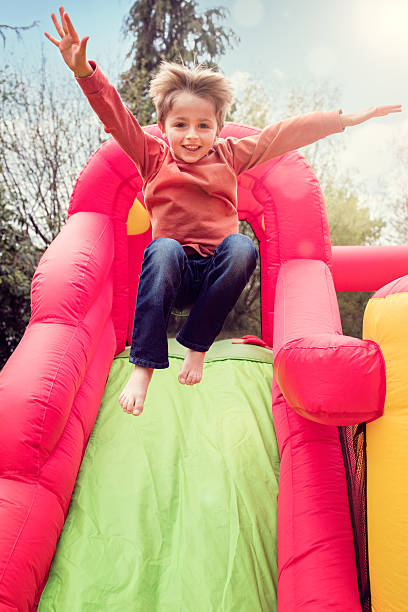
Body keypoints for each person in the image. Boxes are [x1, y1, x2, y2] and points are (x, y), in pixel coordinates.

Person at [45, 6, 401, 417]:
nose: (192, 136)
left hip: (216, 274)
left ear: (218, 127)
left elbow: (282, 134)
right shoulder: (152, 158)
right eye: (180, 125)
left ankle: (195, 345)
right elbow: (116, 118)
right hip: (171, 275)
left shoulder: (231, 155)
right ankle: (143, 366)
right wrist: (84, 73)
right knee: (162, 250)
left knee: (242, 247)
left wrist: (344, 119)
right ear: (163, 127)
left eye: (203, 125)